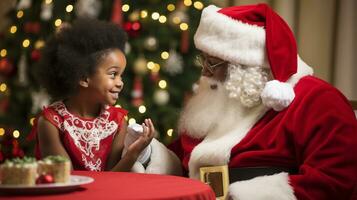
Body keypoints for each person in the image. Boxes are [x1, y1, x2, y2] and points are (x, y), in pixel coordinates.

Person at [141, 3, 357, 200]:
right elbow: (182, 161)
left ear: (246, 67)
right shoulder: (218, 100)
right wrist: (147, 152)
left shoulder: (318, 101)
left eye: (213, 63)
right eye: (203, 60)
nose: (205, 72)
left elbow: (334, 179)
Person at [29, 18, 156, 172]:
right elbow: (67, 178)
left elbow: (112, 180)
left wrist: (133, 153)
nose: (120, 83)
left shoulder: (117, 122)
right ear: (83, 77)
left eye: (121, 76)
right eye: (113, 74)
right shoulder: (51, 122)